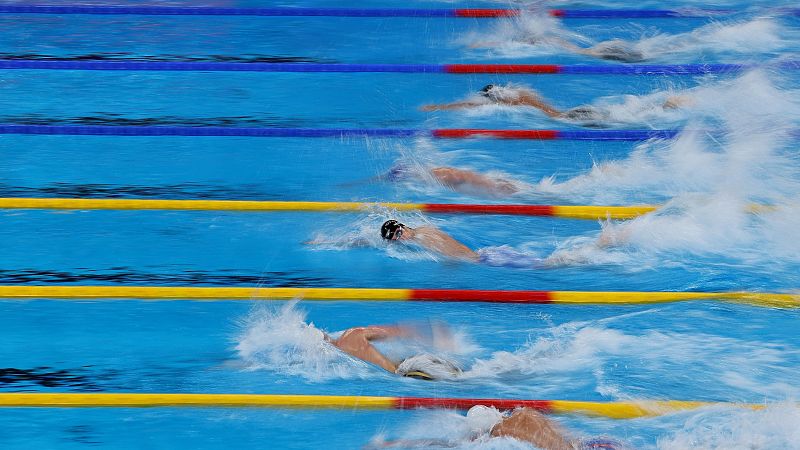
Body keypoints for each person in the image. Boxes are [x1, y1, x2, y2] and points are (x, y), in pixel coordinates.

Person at [421, 84, 691, 128]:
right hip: (574, 111)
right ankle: (664, 106)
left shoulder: (513, 102)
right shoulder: (523, 94)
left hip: (571, 119)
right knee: (620, 117)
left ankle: (666, 107)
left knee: (622, 121)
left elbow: (470, 106)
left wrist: (438, 108)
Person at [368, 405, 627, 449]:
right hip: (595, 443)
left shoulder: (498, 434)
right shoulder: (526, 413)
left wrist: (397, 444)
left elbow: (446, 445)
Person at [325, 323, 462, 381]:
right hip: (409, 369)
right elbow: (392, 331)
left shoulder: (337, 364)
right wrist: (425, 332)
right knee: (459, 375)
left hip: (403, 375)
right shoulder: (352, 334)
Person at [384, 164, 519, 196]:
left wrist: (491, 186)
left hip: (495, 187)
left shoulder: (441, 175)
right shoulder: (430, 175)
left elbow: (468, 176)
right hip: (493, 185)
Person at [381, 220, 480, 262]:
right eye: (396, 239)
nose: (401, 238)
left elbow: (452, 253)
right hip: (477, 256)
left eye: (399, 233)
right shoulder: (420, 231)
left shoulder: (423, 237)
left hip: (476, 260)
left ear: (403, 226)